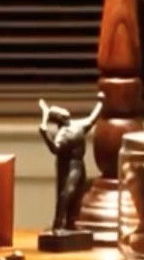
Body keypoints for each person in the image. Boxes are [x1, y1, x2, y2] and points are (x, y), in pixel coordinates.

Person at [38, 93, 104, 232]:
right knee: (67, 192)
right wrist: (45, 134)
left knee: (79, 192)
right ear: (59, 119)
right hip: (69, 166)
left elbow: (93, 118)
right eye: (60, 112)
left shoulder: (78, 125)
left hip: (80, 164)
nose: (64, 111)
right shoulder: (63, 135)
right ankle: (58, 223)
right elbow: (55, 149)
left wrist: (101, 102)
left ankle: (71, 222)